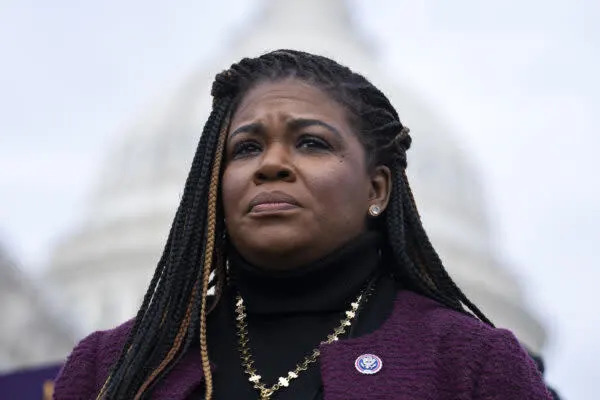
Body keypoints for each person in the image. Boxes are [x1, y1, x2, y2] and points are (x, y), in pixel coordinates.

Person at [53, 50, 554, 399]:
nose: (271, 164)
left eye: (312, 142)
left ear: (377, 189)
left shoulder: (469, 365)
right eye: (246, 147)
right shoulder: (111, 367)